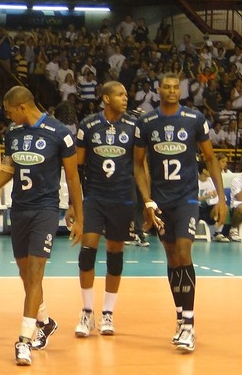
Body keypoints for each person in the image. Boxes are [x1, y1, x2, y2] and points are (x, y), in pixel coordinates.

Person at [0, 86, 84, 366]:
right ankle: (44, 321)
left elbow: (72, 177)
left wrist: (78, 215)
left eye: (9, 111)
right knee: (25, 273)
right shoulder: (14, 134)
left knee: (35, 271)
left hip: (45, 209)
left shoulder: (60, 133)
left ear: (22, 107)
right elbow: (5, 172)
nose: (7, 116)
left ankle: (24, 340)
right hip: (20, 209)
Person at [133, 72, 227, 353]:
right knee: (172, 257)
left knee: (185, 252)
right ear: (158, 89)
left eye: (176, 87)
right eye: (166, 87)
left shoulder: (195, 119)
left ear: (181, 90)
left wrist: (221, 198)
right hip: (161, 201)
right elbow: (137, 164)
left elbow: (210, 158)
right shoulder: (147, 122)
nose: (171, 91)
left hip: (187, 198)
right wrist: (148, 201)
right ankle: (179, 316)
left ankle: (189, 324)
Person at [72, 81, 135, 338]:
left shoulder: (133, 126)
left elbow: (140, 164)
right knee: (87, 252)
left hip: (121, 198)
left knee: (115, 255)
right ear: (106, 98)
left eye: (126, 94)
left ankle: (108, 313)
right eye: (121, 94)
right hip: (94, 197)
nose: (125, 98)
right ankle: (87, 312)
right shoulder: (88, 125)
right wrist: (73, 204)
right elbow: (77, 166)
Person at [197, 161, 228, 242]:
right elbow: (191, 200)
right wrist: (206, 196)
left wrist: (215, 194)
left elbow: (217, 195)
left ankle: (217, 233)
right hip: (196, 209)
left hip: (208, 209)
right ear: (204, 171)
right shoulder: (194, 182)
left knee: (222, 207)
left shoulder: (211, 181)